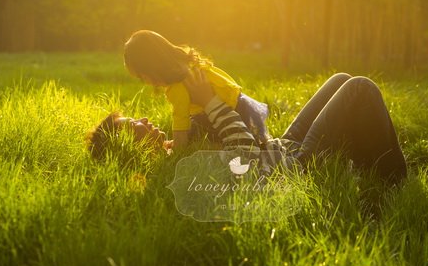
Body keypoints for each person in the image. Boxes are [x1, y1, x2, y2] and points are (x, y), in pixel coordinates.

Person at [87, 72, 408, 185]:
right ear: (130, 147)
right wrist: (211, 103)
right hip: (292, 169)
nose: (143, 121)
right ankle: (392, 178)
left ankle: (362, 163)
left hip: (280, 149)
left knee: (340, 79)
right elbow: (245, 155)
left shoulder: (176, 144)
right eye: (135, 126)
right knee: (360, 88)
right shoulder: (177, 168)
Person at [123, 30, 269, 148]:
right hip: (240, 104)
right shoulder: (187, 63)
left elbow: (180, 122)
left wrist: (178, 148)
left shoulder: (177, 86)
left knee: (198, 132)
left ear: (152, 68)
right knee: (197, 125)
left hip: (226, 116)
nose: (146, 83)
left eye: (143, 77)